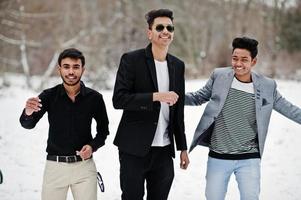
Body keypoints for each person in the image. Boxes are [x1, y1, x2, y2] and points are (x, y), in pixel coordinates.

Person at [185, 37, 301, 200]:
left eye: (244, 60)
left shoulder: (267, 86)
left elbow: (290, 109)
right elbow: (198, 97)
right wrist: (174, 97)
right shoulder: (219, 76)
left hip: (249, 158)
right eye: (235, 58)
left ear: (253, 61)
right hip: (218, 156)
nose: (238, 63)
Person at [112, 8, 190, 200]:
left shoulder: (177, 65)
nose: (165, 31)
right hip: (134, 148)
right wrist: (155, 97)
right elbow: (119, 99)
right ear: (149, 32)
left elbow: (178, 111)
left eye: (170, 28)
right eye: (160, 27)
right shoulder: (131, 60)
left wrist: (182, 147)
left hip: (164, 150)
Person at [19, 48, 109, 200]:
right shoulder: (48, 96)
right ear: (59, 69)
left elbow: (103, 132)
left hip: (84, 168)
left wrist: (92, 147)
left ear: (83, 69)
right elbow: (28, 124)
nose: (71, 72)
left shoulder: (95, 98)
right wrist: (28, 112)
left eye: (76, 67)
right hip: (55, 167)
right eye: (66, 67)